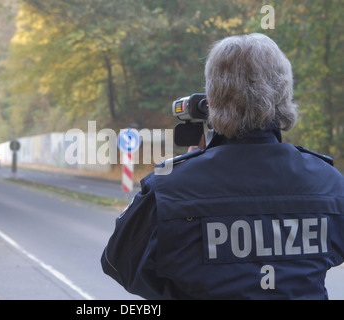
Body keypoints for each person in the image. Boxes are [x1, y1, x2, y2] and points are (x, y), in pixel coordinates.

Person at [100, 33, 344, 299]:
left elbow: (118, 263)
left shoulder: (169, 187)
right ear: (284, 94)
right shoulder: (329, 182)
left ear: (213, 99)